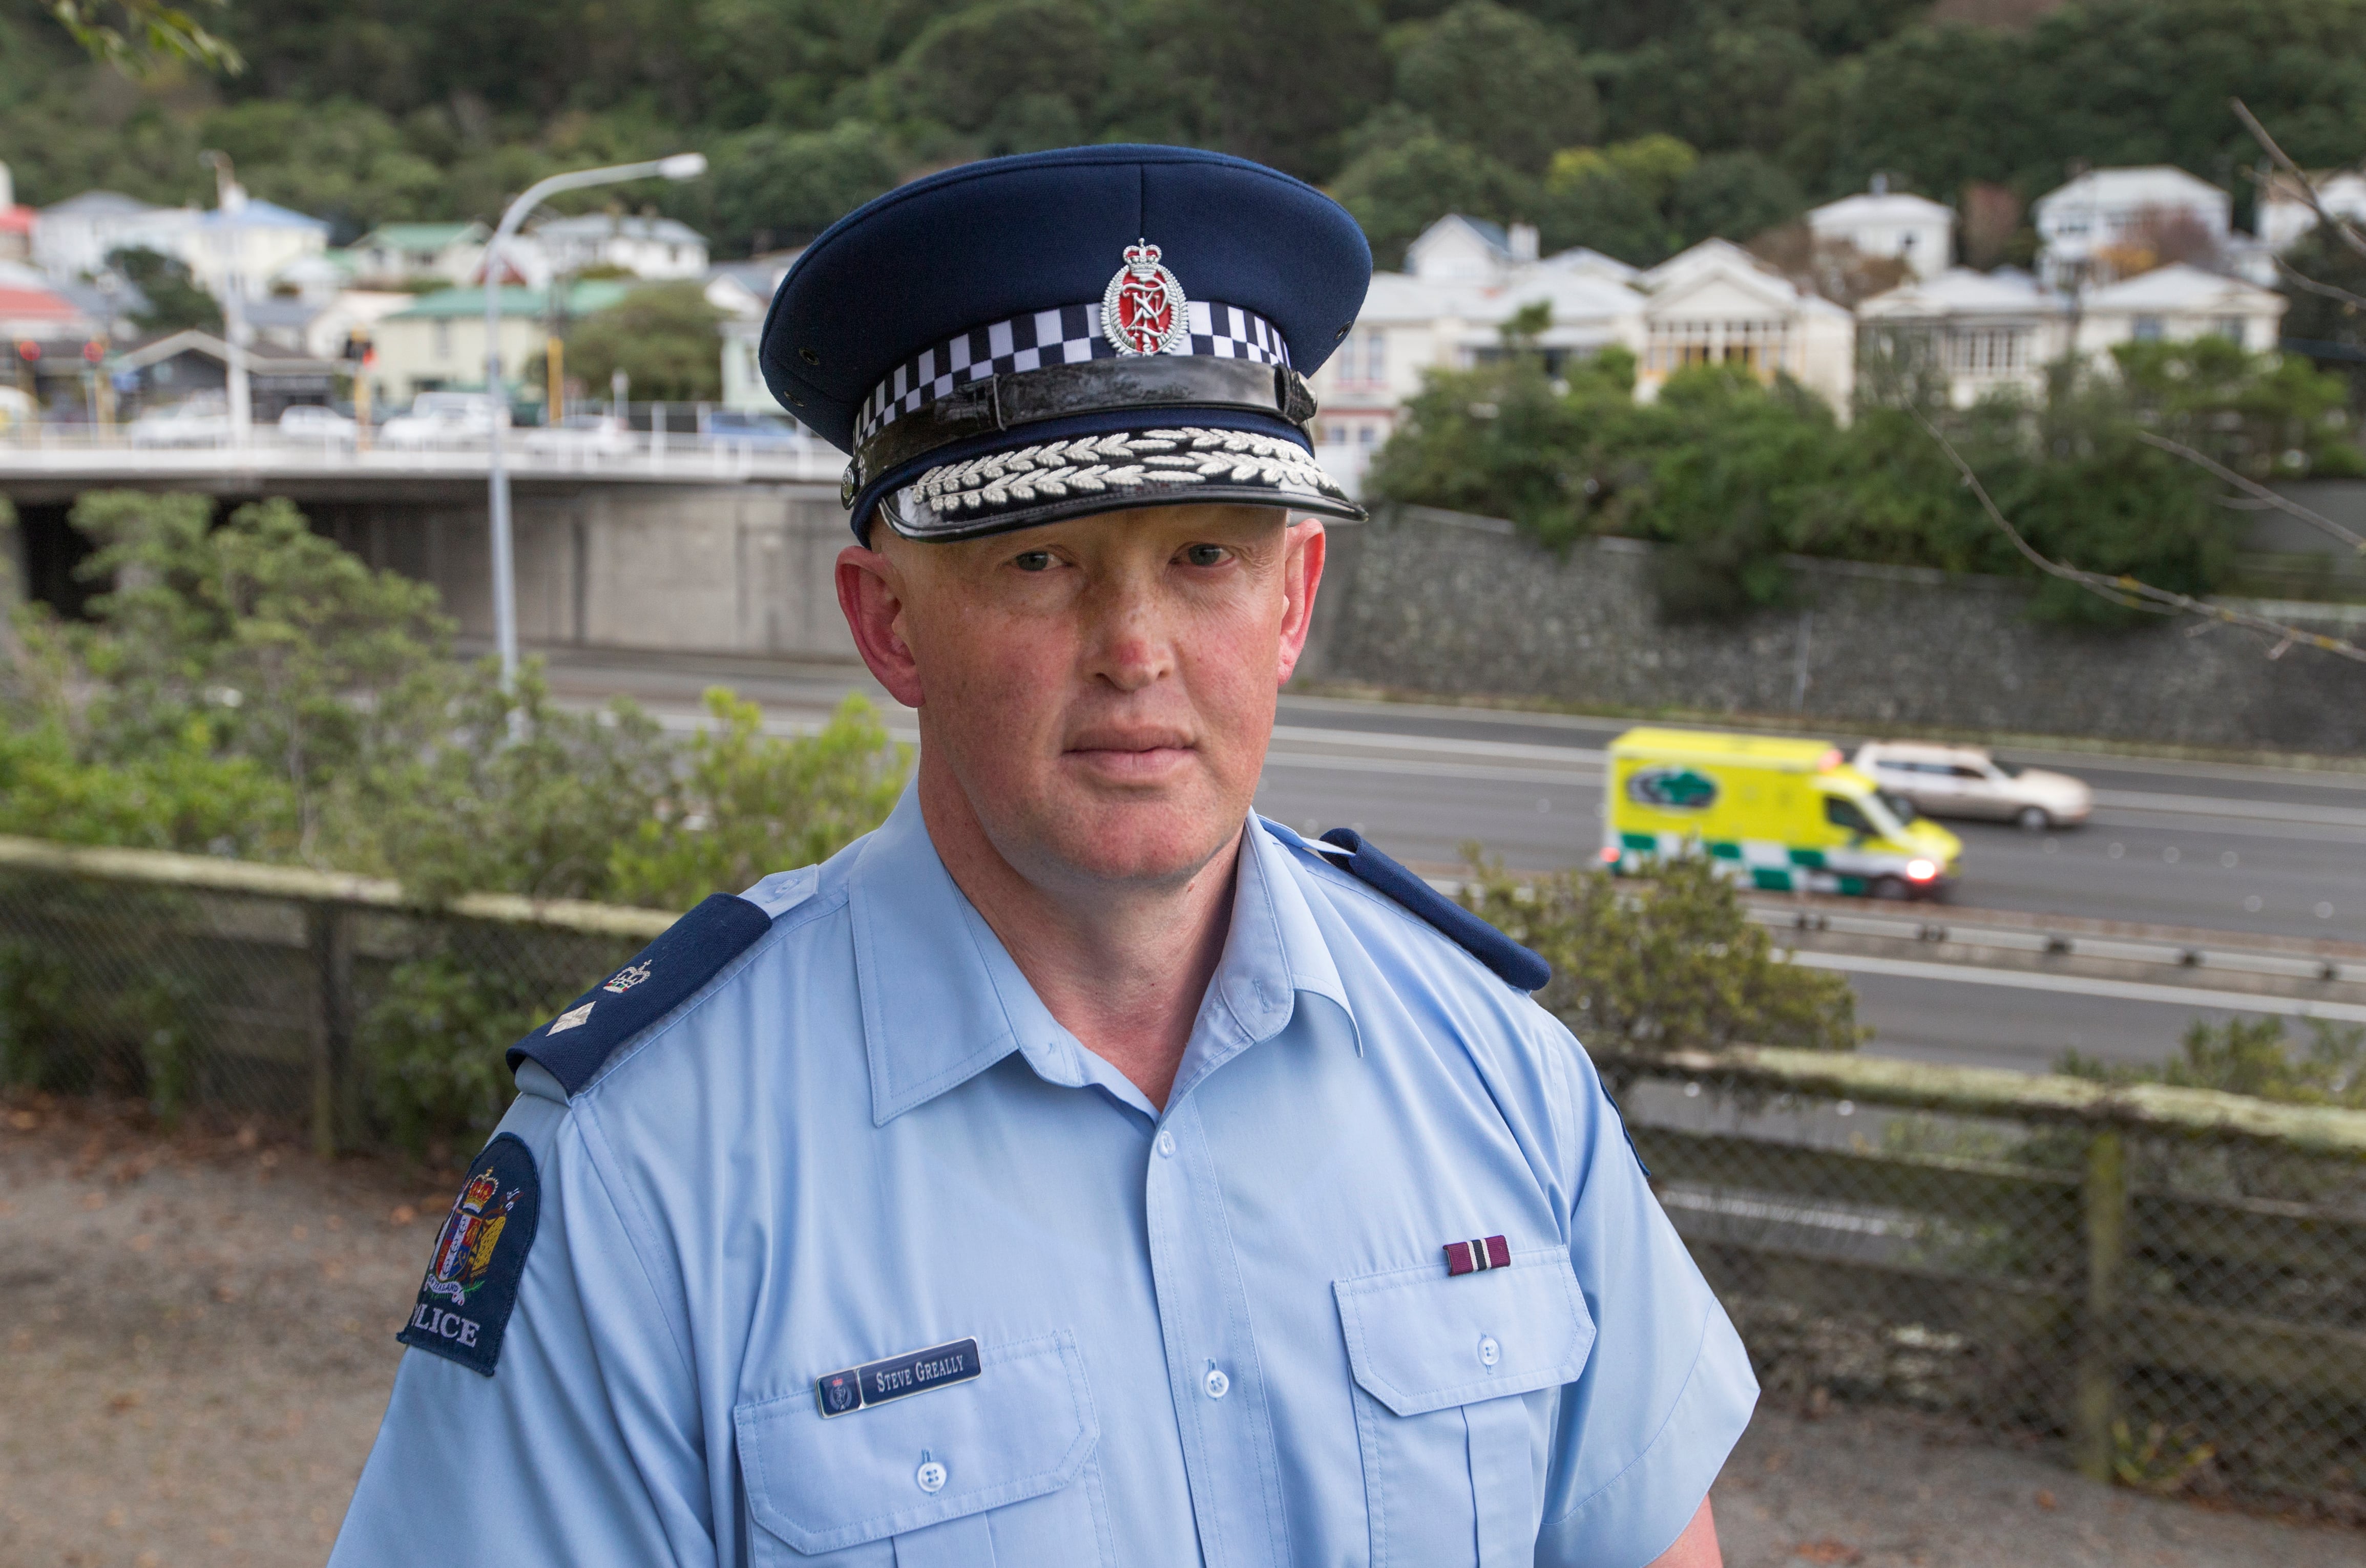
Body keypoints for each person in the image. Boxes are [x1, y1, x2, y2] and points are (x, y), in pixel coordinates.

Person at [329, 144, 1754, 1568]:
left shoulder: (1497, 1072)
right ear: (888, 625)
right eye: (1037, 563)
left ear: (1292, 599)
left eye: (1205, 557)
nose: (1135, 654)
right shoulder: (645, 1169)